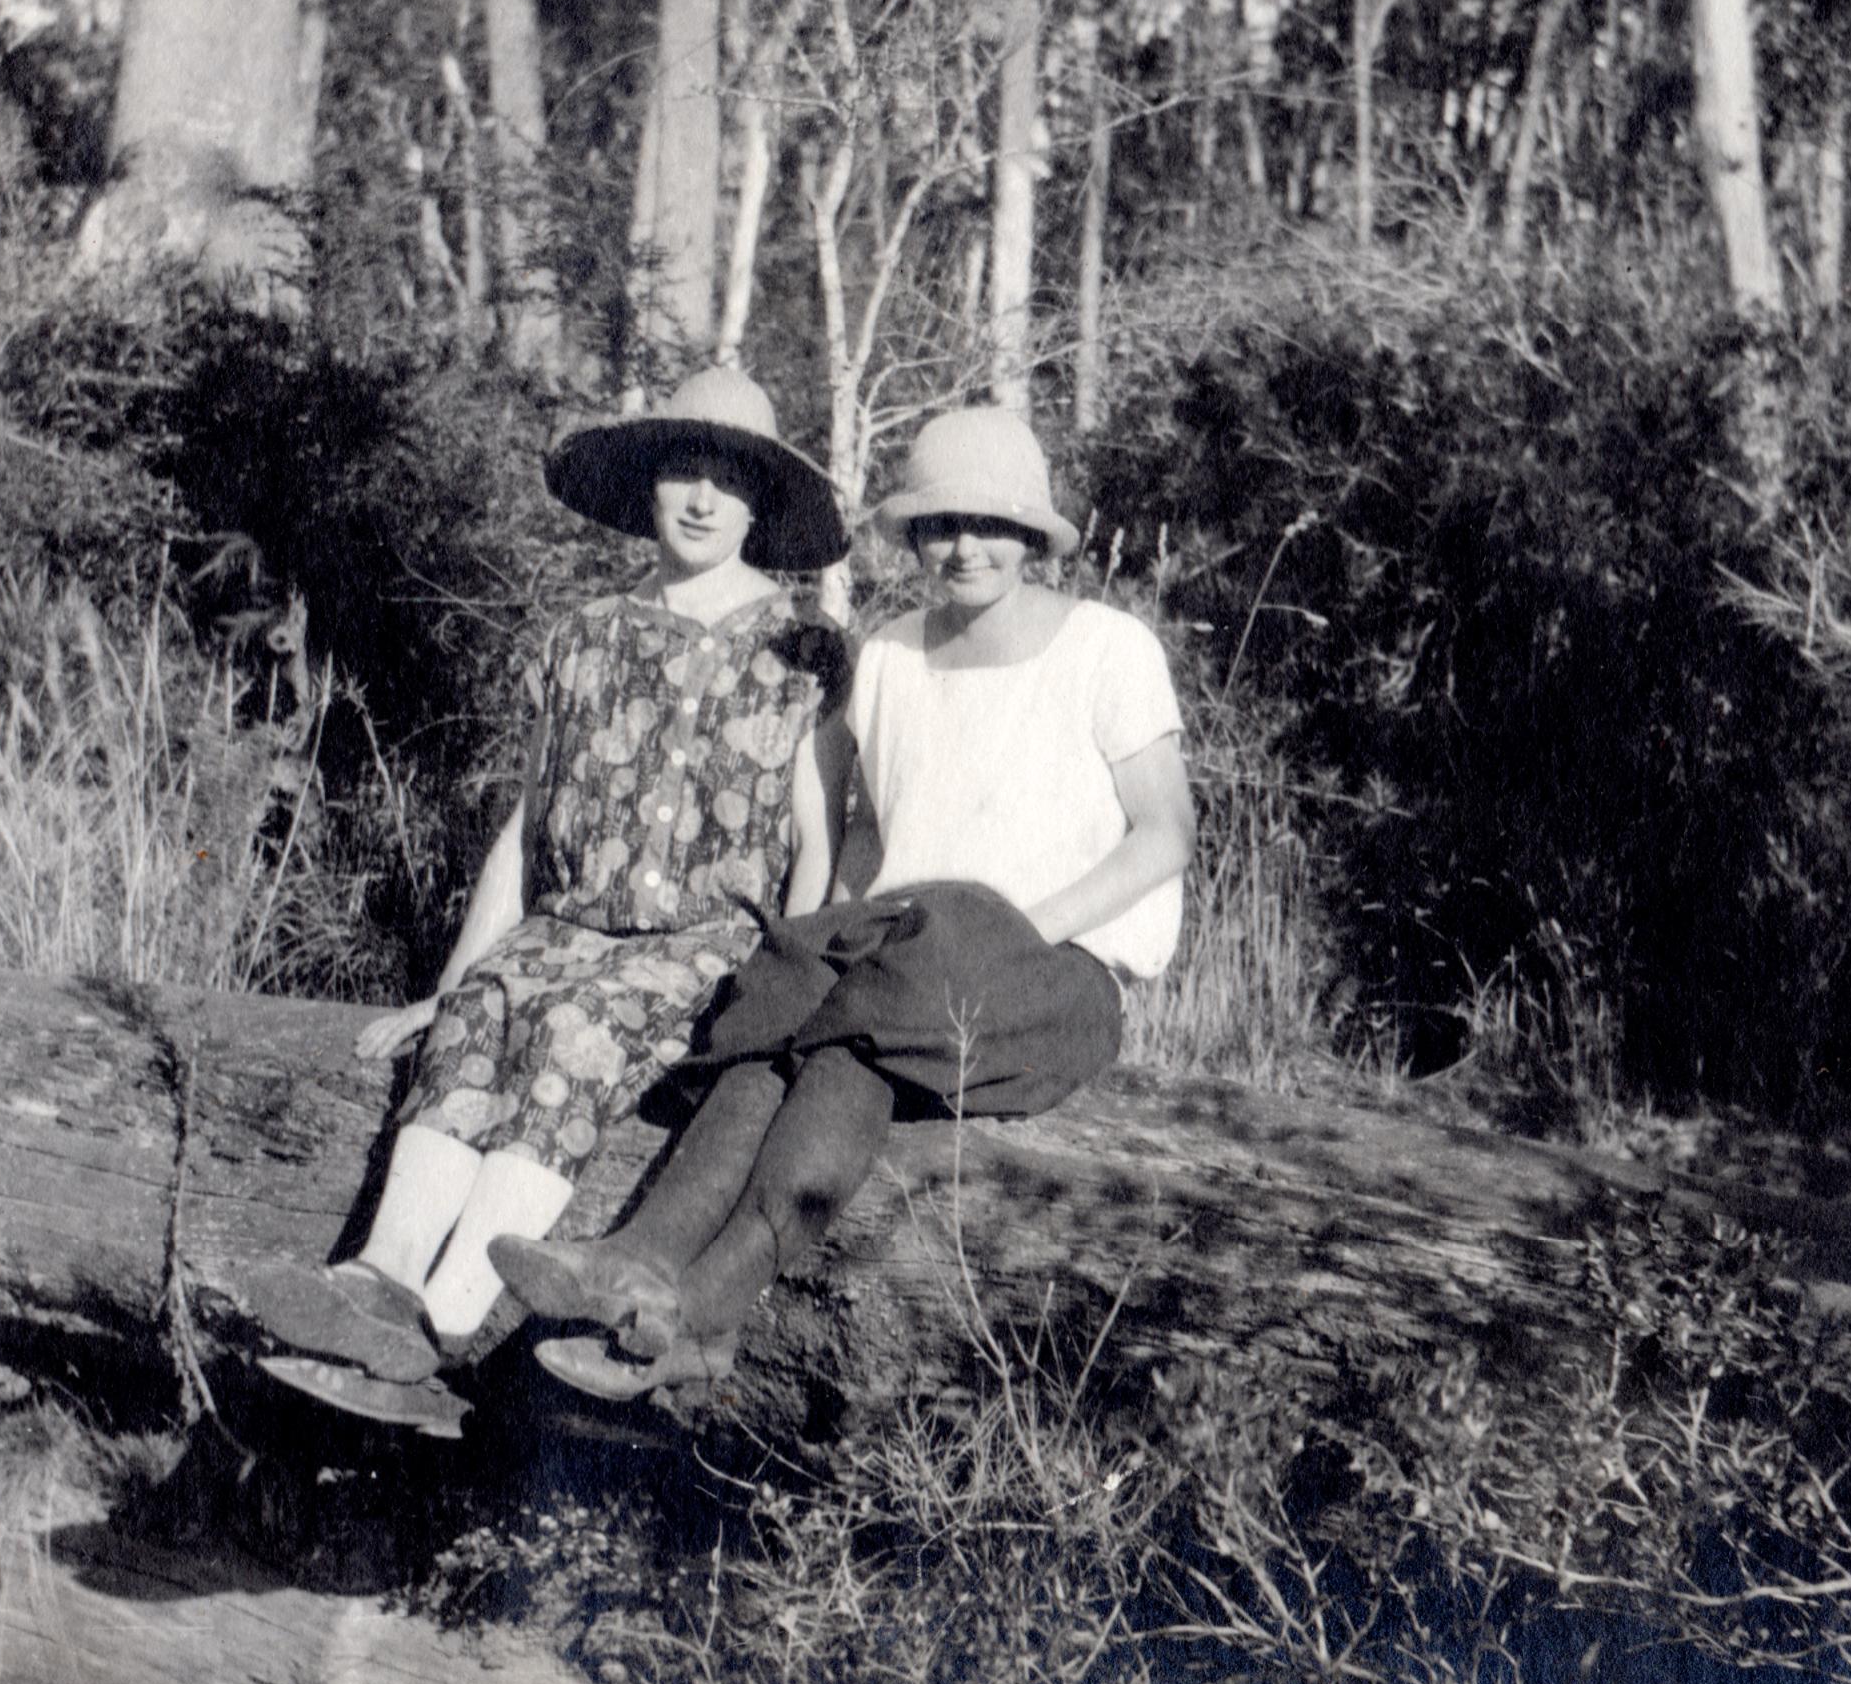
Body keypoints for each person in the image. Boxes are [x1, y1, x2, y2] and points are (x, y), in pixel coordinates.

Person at [488, 406, 1196, 1401]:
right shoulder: (892, 655)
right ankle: (638, 1267)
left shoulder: (1106, 647)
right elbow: (874, 832)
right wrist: (827, 937)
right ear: (912, 535)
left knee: (851, 1028)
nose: (965, 548)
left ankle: (700, 1308)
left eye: (992, 526)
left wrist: (1017, 933)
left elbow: (1165, 831)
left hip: (1054, 977)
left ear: (1033, 537)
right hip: (911, 963)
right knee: (788, 1028)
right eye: (941, 524)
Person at [246, 368, 850, 1433]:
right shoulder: (583, 637)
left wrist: (783, 990)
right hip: (568, 926)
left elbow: (816, 841)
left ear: (761, 503)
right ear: (648, 487)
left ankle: (439, 1330)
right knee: (488, 1010)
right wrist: (450, 986)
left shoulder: (800, 654)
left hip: (697, 948)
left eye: (726, 479)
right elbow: (526, 829)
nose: (701, 499)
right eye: (680, 471)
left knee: (571, 1028)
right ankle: (376, 1281)